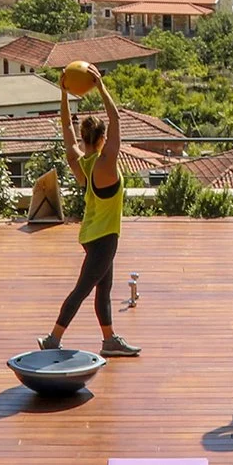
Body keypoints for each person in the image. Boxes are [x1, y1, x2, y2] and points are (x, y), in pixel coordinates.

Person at [39, 64, 140, 357]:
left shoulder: (80, 163)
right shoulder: (106, 163)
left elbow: (66, 129)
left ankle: (109, 340)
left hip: (91, 235)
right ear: (102, 139)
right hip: (104, 238)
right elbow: (116, 117)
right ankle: (52, 339)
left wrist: (64, 93)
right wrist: (100, 87)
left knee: (103, 290)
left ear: (85, 139)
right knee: (82, 290)